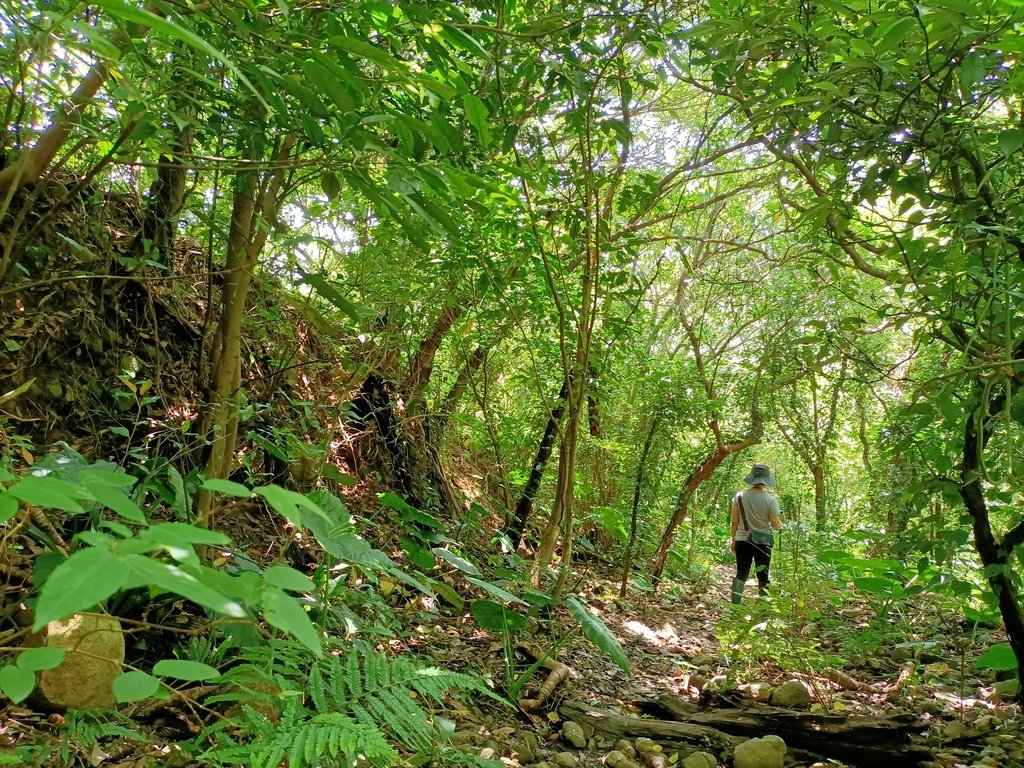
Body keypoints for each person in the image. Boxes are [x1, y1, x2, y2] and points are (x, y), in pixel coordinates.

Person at [730, 463, 783, 604]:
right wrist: (780, 524)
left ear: (752, 478)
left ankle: (734, 607)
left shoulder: (739, 496)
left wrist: (733, 539)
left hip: (742, 540)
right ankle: (763, 607)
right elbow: (776, 525)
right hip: (763, 542)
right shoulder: (770, 500)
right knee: (763, 575)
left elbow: (734, 522)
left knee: (741, 573)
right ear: (766, 481)